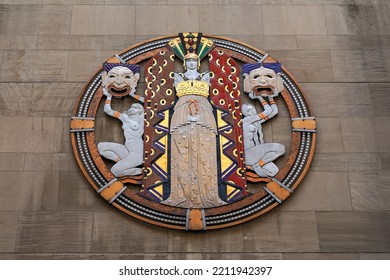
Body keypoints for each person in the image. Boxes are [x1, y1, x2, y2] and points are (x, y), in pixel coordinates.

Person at [162, 53, 226, 208]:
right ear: (185, 62)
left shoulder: (206, 76)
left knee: (206, 151)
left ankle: (209, 195)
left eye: (194, 60)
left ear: (198, 62)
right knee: (181, 151)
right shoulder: (178, 76)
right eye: (189, 60)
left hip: (204, 111)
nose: (191, 63)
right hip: (181, 112)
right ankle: (179, 196)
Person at [97, 87, 144, 177]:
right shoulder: (124, 118)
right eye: (132, 107)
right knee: (101, 147)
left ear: (140, 111)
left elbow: (150, 102)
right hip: (127, 151)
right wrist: (108, 97)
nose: (132, 108)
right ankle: (121, 162)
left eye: (135, 107)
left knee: (114, 171)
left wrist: (133, 95)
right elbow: (108, 110)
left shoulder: (143, 121)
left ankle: (140, 171)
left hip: (137, 154)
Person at [242, 101, 285, 177]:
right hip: (249, 154)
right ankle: (257, 165)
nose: (252, 111)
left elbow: (274, 111)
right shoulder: (246, 120)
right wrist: (260, 97)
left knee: (274, 171)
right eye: (248, 110)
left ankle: (257, 165)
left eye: (253, 109)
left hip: (258, 155)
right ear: (244, 114)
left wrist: (271, 98)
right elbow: (267, 111)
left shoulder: (257, 121)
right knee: (280, 148)